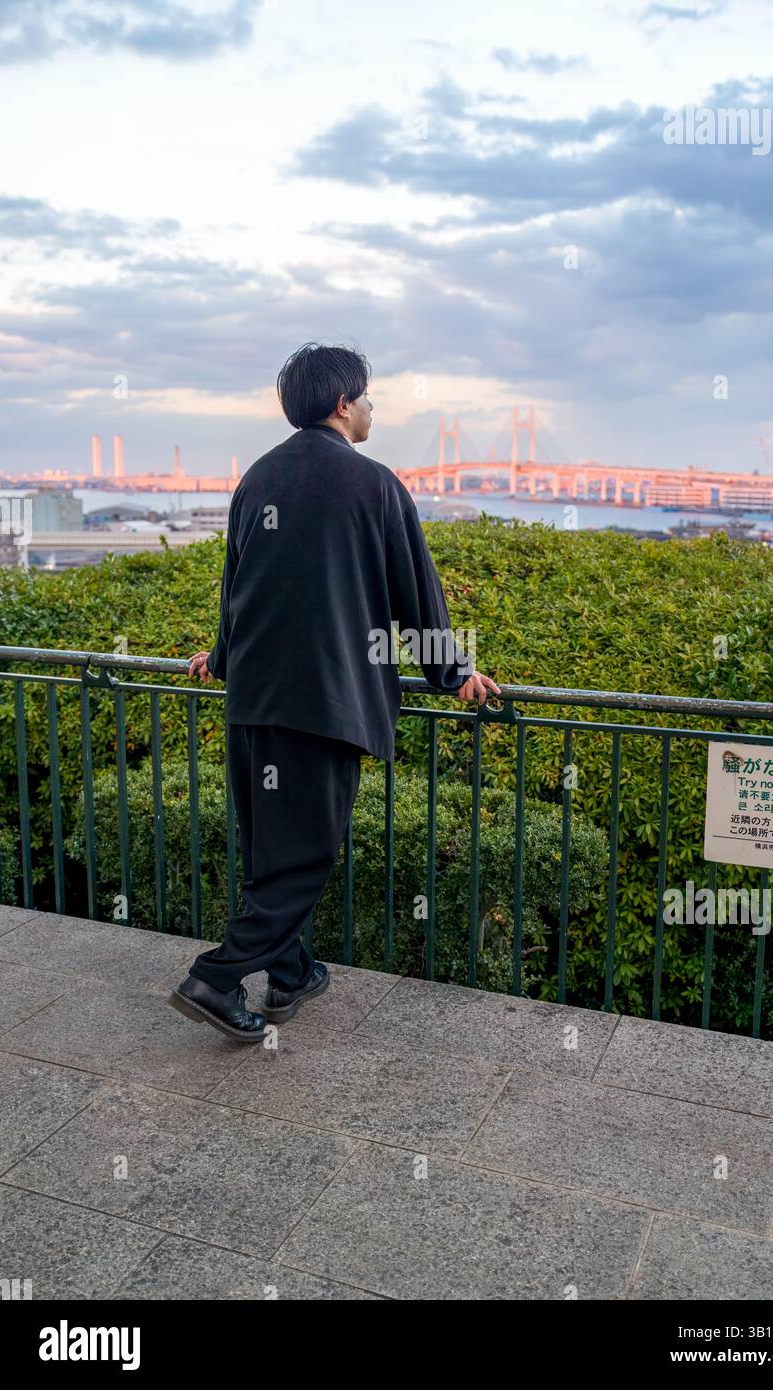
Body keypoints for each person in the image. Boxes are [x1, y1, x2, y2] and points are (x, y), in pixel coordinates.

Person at [169, 343, 500, 1041]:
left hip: (254, 701)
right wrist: (453, 672)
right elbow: (418, 598)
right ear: (344, 404)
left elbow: (237, 590)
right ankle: (215, 978)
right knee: (306, 856)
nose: (373, 408)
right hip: (324, 706)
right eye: (369, 397)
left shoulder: (256, 479)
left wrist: (223, 657)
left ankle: (291, 977)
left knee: (272, 850)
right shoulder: (375, 485)